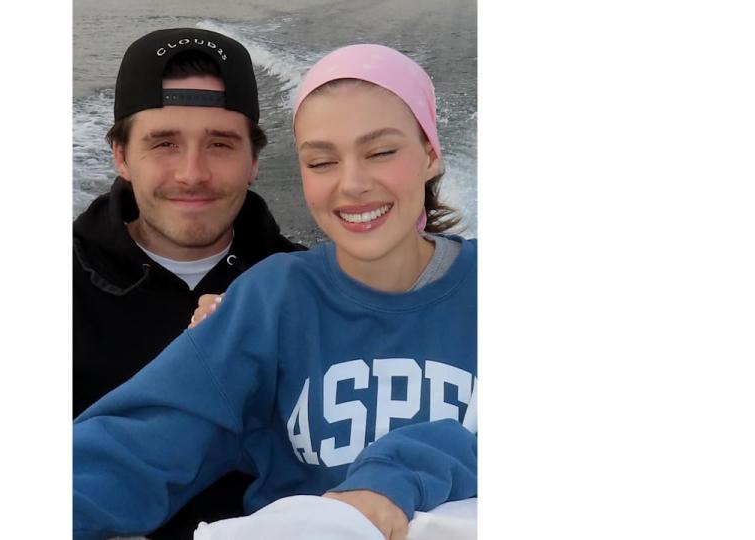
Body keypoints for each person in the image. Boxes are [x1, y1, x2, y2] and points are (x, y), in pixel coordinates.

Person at [74, 43, 477, 540]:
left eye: (381, 152)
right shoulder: (270, 299)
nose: (352, 183)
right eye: (321, 161)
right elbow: (136, 447)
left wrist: (399, 476)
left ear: (432, 154)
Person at [72, 27, 303, 539]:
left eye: (220, 143)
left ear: (254, 160)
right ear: (121, 155)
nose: (192, 173)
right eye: (164, 143)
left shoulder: (308, 293)